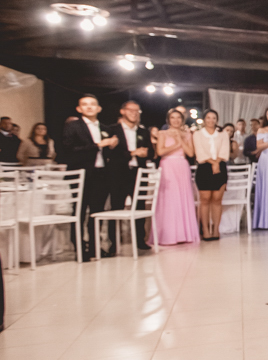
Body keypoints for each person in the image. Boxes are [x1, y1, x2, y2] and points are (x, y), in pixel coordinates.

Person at [61, 95, 120, 259]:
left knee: (97, 212)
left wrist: (112, 146)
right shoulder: (73, 126)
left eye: (93, 104)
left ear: (99, 108)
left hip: (101, 173)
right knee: (79, 211)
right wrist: (97, 145)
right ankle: (79, 248)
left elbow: (110, 152)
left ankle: (95, 247)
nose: (89, 107)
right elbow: (68, 150)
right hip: (80, 174)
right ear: (79, 108)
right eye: (85, 104)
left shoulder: (105, 128)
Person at [107, 101, 155, 251]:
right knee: (116, 207)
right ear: (123, 111)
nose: (134, 113)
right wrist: (132, 153)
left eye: (137, 111)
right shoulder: (112, 130)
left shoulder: (143, 131)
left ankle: (140, 240)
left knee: (139, 206)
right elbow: (110, 153)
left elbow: (151, 152)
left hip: (137, 173)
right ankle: (114, 242)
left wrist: (147, 153)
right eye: (131, 110)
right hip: (118, 173)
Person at [153, 108, 200, 246]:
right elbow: (160, 151)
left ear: (182, 119)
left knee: (183, 197)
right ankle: (168, 235)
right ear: (168, 120)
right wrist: (176, 144)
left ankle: (184, 234)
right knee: (169, 199)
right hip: (168, 165)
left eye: (178, 117)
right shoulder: (162, 133)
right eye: (173, 117)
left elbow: (190, 153)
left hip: (182, 165)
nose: (176, 120)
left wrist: (180, 139)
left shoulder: (187, 134)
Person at [194, 109, 230, 241]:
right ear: (204, 119)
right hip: (204, 167)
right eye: (208, 118)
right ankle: (205, 230)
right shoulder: (197, 134)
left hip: (220, 167)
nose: (211, 120)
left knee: (217, 199)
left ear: (217, 120)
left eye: (213, 118)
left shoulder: (223, 134)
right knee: (205, 199)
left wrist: (217, 162)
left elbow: (225, 150)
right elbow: (199, 152)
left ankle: (216, 230)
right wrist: (212, 163)